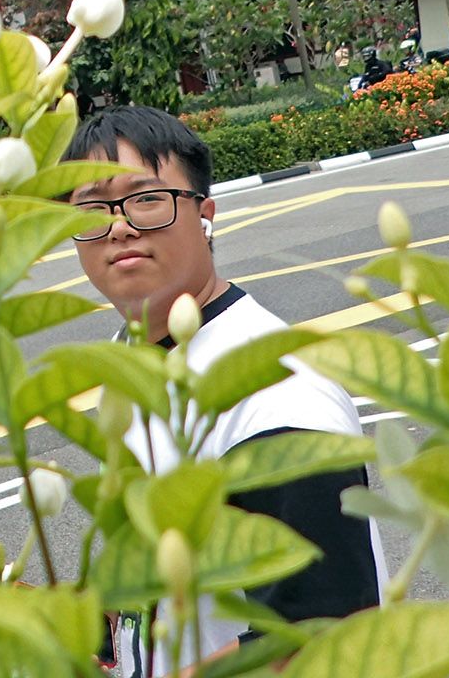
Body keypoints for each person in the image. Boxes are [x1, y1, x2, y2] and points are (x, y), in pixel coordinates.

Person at [68, 106, 384, 678]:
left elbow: (324, 634)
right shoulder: (134, 360)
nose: (119, 227)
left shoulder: (280, 397)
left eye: (147, 199)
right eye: (93, 209)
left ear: (205, 215)